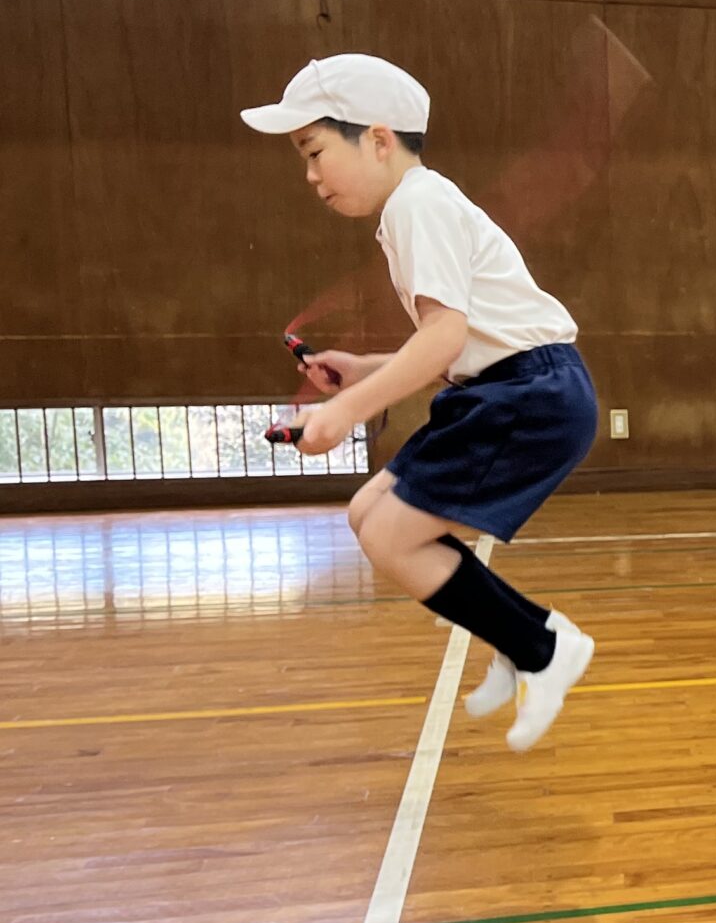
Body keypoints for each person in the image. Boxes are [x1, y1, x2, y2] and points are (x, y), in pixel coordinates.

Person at [245, 54, 599, 750]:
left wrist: (343, 415)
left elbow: (444, 339)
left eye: (315, 151)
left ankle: (544, 648)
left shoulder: (420, 205)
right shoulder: (414, 207)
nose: (310, 175)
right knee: (367, 514)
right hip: (505, 386)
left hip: (531, 393)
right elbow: (460, 342)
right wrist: (365, 370)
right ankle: (521, 639)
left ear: (377, 140)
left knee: (388, 534)